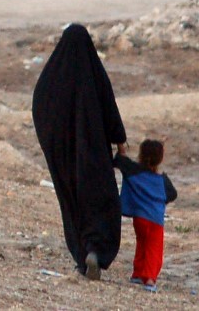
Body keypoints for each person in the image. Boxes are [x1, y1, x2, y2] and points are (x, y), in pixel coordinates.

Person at [32, 23, 127, 281]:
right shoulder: (93, 74)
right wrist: (120, 141)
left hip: (63, 156)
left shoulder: (51, 78)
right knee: (100, 198)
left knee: (71, 201)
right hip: (93, 153)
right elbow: (109, 106)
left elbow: (40, 106)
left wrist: (51, 145)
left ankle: (82, 255)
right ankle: (96, 249)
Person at [114, 139, 177, 292]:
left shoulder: (133, 170)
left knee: (142, 243)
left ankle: (137, 273)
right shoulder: (162, 181)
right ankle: (149, 279)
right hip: (155, 221)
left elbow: (120, 160)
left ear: (141, 155)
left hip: (139, 219)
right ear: (160, 159)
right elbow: (172, 194)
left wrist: (121, 147)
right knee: (153, 249)